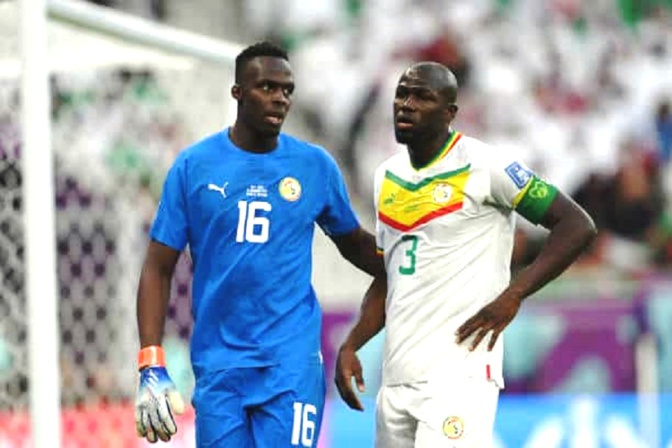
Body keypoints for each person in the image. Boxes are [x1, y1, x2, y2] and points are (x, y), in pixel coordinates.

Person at [134, 41, 384, 447]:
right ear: (237, 92)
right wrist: (150, 361)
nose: (280, 98)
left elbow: (354, 244)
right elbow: (157, 266)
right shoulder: (193, 167)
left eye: (287, 90)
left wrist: (411, 264)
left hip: (290, 364)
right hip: (219, 368)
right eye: (267, 87)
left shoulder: (314, 166)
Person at [334, 62, 597, 447]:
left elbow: (576, 224)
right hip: (397, 377)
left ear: (449, 113)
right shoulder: (387, 176)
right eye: (402, 94)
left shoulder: (485, 165)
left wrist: (514, 294)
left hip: (458, 375)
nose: (407, 104)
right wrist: (353, 343)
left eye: (422, 97)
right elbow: (393, 272)